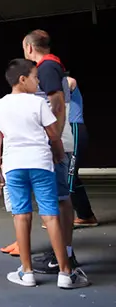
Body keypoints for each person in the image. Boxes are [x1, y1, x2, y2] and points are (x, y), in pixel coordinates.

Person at [0, 58, 89, 288]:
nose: (38, 82)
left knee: (21, 216)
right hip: (41, 164)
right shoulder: (38, 103)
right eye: (35, 77)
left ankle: (27, 272)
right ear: (22, 80)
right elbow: (53, 134)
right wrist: (59, 154)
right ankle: (65, 274)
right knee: (50, 215)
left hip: (13, 166)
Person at [22, 29, 79, 273]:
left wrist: (52, 141)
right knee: (60, 198)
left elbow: (56, 104)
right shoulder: (53, 66)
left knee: (58, 200)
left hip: (55, 143)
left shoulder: (45, 67)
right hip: (57, 140)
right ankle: (62, 253)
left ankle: (63, 257)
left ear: (29, 47)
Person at [66, 76, 97, 227]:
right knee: (70, 175)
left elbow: (71, 81)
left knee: (69, 176)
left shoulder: (66, 81)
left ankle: (62, 219)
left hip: (75, 128)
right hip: (65, 130)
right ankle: (86, 216)